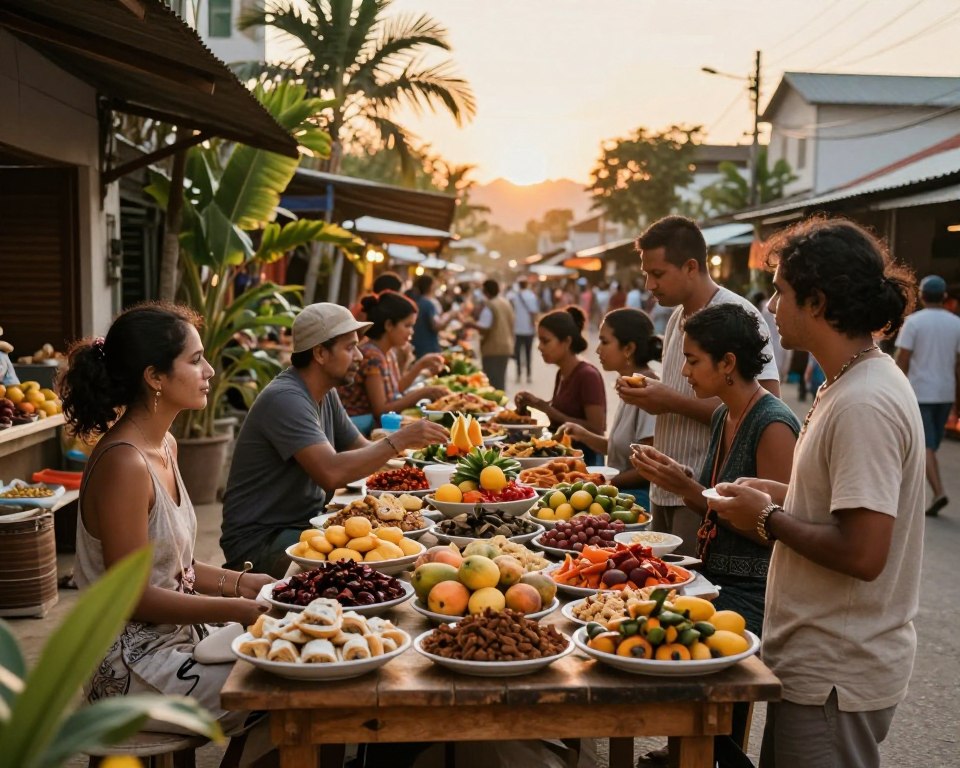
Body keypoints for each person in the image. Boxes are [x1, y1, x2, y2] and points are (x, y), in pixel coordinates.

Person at [708, 217, 922, 768]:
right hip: (816, 660)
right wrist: (777, 492)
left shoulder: (864, 402)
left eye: (779, 292)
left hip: (837, 670)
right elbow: (841, 505)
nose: (771, 309)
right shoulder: (846, 383)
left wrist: (769, 517)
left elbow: (863, 552)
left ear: (818, 301)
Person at [59, 303, 274, 751]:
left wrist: (245, 584)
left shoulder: (165, 444)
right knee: (285, 690)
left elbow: (174, 565)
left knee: (293, 665)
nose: (209, 370)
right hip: (129, 664)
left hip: (176, 641)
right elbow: (134, 596)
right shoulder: (125, 463)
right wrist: (235, 611)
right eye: (195, 360)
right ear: (155, 377)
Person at [630, 303, 799, 768]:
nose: (683, 372)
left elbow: (779, 532)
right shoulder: (725, 415)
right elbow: (712, 499)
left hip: (754, 592)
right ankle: (693, 746)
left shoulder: (773, 424)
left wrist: (689, 490)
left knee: (664, 648)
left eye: (693, 361)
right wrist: (679, 480)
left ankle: (705, 748)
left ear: (728, 364)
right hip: (714, 576)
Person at [221, 303, 448, 577]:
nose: (360, 356)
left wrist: (418, 467)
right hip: (262, 542)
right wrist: (399, 440)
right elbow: (332, 473)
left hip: (304, 525)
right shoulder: (286, 399)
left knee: (400, 548)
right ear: (319, 353)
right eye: (349, 347)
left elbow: (362, 449)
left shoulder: (325, 392)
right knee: (370, 568)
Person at [617, 215, 780, 557]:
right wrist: (653, 394)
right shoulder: (677, 316)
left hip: (705, 493)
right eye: (646, 274)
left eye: (657, 274)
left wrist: (669, 400)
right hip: (666, 486)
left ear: (691, 266)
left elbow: (763, 411)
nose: (649, 284)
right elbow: (677, 392)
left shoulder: (737, 315)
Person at [558, 308, 661, 510]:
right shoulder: (629, 384)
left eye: (605, 342)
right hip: (617, 493)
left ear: (628, 348)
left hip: (635, 500)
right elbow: (621, 450)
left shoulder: (648, 390)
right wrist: (584, 435)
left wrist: (599, 483)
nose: (598, 350)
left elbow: (646, 468)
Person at [337, 291, 448, 435]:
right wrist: (423, 393)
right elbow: (381, 410)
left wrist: (420, 365)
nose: (411, 332)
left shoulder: (387, 352)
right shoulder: (372, 356)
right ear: (389, 325)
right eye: (407, 325)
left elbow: (396, 389)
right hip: (358, 430)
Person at [895, 274, 960, 517]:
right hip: (944, 393)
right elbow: (958, 365)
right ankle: (937, 489)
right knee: (928, 443)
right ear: (944, 297)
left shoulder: (914, 322)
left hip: (920, 392)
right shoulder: (956, 323)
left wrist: (895, 388)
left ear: (921, 296)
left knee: (926, 445)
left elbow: (902, 359)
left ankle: (939, 492)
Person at [515, 306, 606, 465]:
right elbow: (563, 409)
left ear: (567, 342)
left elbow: (597, 429)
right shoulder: (562, 373)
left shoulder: (587, 375)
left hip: (583, 462)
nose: (539, 347)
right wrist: (532, 403)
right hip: (560, 457)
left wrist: (546, 408)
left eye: (546, 341)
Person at [462, 279, 515, 391]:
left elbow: (485, 328)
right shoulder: (505, 302)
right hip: (506, 346)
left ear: (485, 291)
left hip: (493, 348)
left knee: (492, 383)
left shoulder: (490, 305)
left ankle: (497, 406)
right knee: (500, 380)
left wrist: (470, 324)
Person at [407, 274, 450, 358]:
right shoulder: (428, 304)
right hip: (428, 348)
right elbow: (436, 326)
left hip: (417, 346)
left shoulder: (418, 301)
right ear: (430, 286)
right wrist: (451, 316)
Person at [507, 278, 540, 384]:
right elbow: (534, 312)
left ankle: (518, 375)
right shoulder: (531, 296)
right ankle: (529, 375)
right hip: (528, 330)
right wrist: (534, 325)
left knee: (518, 353)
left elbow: (510, 307)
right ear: (527, 285)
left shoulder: (515, 296)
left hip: (517, 329)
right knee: (528, 353)